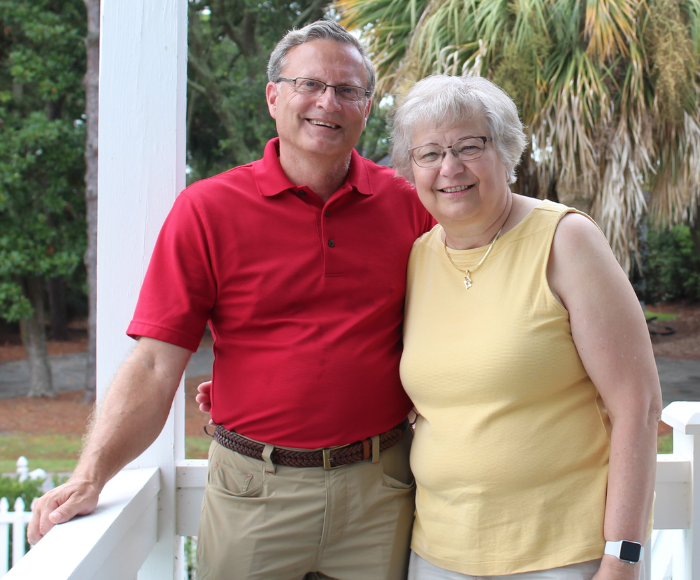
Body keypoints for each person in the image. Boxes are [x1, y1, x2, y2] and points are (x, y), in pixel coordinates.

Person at [28, 21, 433, 580]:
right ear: (273, 96)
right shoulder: (208, 210)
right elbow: (152, 361)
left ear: (367, 107)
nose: (327, 102)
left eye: (348, 90)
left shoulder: (410, 206)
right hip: (254, 492)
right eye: (309, 84)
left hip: (382, 489)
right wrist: (90, 475)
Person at [389, 75, 661, 580]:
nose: (450, 168)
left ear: (507, 150)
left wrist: (622, 557)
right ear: (410, 168)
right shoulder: (416, 260)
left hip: (561, 555)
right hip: (437, 554)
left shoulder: (565, 240)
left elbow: (638, 406)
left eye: (469, 146)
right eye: (429, 153)